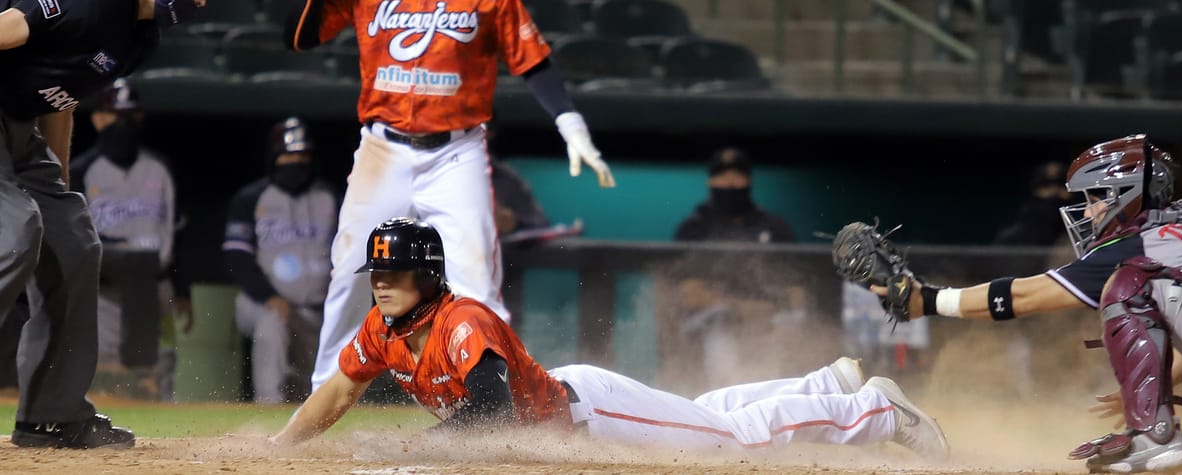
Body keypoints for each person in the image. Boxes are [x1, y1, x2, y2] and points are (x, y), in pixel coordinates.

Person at [283, 0, 616, 392]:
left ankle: (506, 398)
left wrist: (571, 124)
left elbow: (532, 59)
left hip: (456, 151)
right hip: (383, 149)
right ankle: (327, 391)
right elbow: (300, 39)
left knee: (476, 280)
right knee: (350, 268)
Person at [269, 217, 950, 461]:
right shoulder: (383, 330)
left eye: (392, 273)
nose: (381, 284)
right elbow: (336, 390)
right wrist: (280, 449)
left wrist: (414, 449)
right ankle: (824, 386)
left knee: (727, 442)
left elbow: (492, 412)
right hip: (575, 414)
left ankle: (876, 412)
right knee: (707, 415)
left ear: (426, 273)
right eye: (377, 274)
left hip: (586, 413)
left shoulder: (461, 322)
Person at [0, 0, 234, 449]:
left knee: (75, 242)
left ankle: (51, 416)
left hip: (21, 126)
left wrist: (57, 192)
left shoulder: (139, 38)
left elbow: (59, 102)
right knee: (14, 233)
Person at [872, 134, 1182, 473]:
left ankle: (1154, 436)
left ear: (1125, 195)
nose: (1087, 209)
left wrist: (927, 300)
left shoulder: (1138, 244)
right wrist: (1152, 390)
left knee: (1127, 286)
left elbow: (1024, 296)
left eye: (1094, 198)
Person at [71, 78, 191, 400]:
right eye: (116, 116)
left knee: (161, 365)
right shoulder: (81, 170)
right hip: (105, 290)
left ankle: (162, 442)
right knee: (107, 370)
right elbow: (74, 235)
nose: (124, 124)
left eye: (130, 116)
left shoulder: (161, 168)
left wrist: (182, 290)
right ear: (98, 119)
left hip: (156, 286)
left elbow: (176, 231)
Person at [223, 117, 337, 404]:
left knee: (302, 384)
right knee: (272, 323)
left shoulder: (330, 197)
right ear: (274, 157)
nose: (295, 162)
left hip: (316, 309)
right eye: (288, 155)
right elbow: (238, 256)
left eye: (302, 155)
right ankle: (268, 405)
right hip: (262, 304)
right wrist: (270, 296)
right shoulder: (251, 198)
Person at [674, 147, 795, 243]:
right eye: (722, 177)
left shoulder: (774, 226)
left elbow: (794, 267)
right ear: (710, 182)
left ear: (749, 181)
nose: (730, 183)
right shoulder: (692, 228)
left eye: (737, 177)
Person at [992, 160, 1073, 246]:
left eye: (1060, 185)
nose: (1054, 191)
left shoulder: (1077, 236)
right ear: (1034, 190)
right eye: (1046, 185)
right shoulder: (1010, 238)